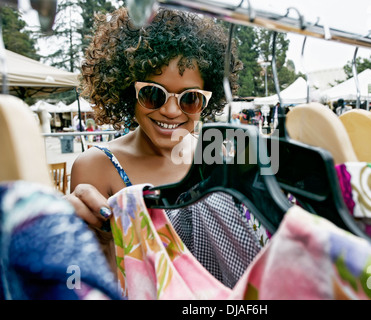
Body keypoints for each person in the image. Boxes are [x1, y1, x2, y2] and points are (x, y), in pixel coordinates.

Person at [65, 7, 242, 269]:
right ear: (127, 91)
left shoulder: (212, 153)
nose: (171, 111)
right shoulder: (96, 166)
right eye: (153, 94)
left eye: (190, 98)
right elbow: (87, 277)